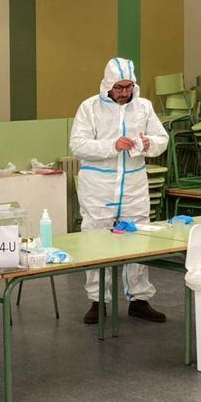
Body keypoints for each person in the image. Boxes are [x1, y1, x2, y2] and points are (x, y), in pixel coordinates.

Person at [69, 58, 169, 325]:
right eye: (119, 87)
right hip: (98, 186)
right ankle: (97, 300)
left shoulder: (144, 107)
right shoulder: (89, 108)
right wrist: (112, 146)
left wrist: (149, 144)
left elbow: (162, 140)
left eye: (128, 86)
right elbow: (78, 146)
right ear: (107, 85)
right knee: (95, 240)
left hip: (134, 184)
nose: (124, 92)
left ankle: (139, 299)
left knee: (138, 240)